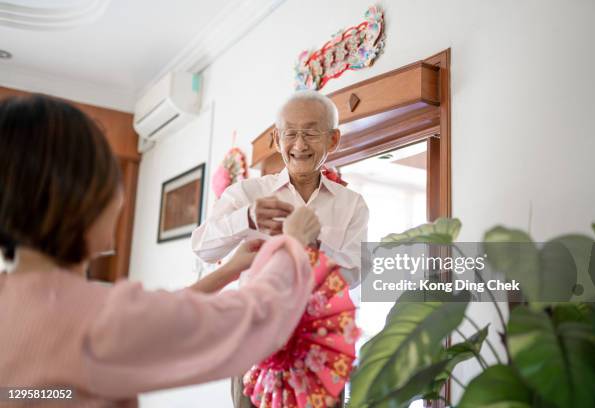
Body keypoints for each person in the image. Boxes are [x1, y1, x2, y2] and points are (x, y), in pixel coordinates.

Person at [0, 94, 322, 407]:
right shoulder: (100, 322)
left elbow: (159, 315)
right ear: (82, 197)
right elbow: (256, 319)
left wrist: (228, 271)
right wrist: (292, 246)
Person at [192, 90, 369, 286]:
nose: (300, 145)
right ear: (277, 140)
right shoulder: (246, 193)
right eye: (290, 133)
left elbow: (356, 274)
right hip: (256, 313)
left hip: (321, 314)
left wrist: (314, 246)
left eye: (311, 133)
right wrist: (247, 218)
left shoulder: (353, 204)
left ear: (333, 140)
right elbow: (202, 249)